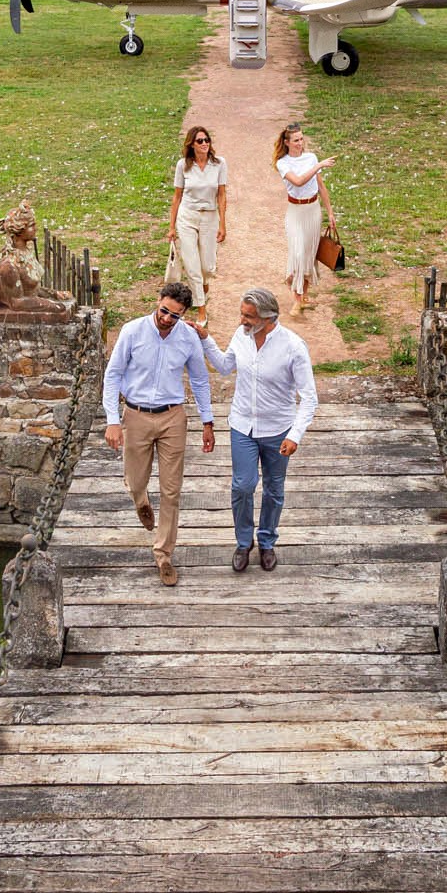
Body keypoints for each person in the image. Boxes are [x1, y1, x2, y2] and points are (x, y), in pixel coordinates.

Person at [194, 287, 317, 572]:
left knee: (274, 489)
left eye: (248, 316)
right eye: (242, 314)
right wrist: (206, 340)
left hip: (278, 429)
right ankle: (243, 541)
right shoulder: (242, 336)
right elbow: (225, 367)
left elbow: (309, 397)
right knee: (243, 485)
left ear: (267, 317)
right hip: (242, 426)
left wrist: (294, 435)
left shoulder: (293, 347)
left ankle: (267, 541)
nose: (241, 321)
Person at [101, 281, 215, 586]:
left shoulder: (188, 338)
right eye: (164, 310)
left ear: (184, 314)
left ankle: (164, 554)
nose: (167, 318)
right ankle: (140, 499)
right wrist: (113, 420)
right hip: (136, 414)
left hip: (172, 417)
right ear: (158, 302)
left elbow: (201, 380)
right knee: (135, 479)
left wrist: (208, 422)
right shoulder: (132, 331)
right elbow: (112, 375)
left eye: (175, 315)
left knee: (171, 490)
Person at [273, 121, 338, 311]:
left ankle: (302, 296)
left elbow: (321, 187)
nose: (300, 143)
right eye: (295, 140)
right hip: (295, 211)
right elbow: (299, 182)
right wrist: (319, 165)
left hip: (313, 210)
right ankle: (296, 295)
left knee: (309, 255)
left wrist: (330, 212)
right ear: (286, 142)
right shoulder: (283, 163)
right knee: (298, 252)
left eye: (301, 139)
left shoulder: (310, 158)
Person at [167, 124, 228, 313]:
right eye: (200, 141)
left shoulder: (219, 164)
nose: (204, 144)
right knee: (192, 265)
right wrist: (171, 227)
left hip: (209, 216)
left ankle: (204, 284)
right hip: (188, 216)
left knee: (207, 266)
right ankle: (201, 308)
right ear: (192, 144)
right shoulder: (183, 165)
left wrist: (223, 224)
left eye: (207, 140)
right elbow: (177, 196)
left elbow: (222, 194)